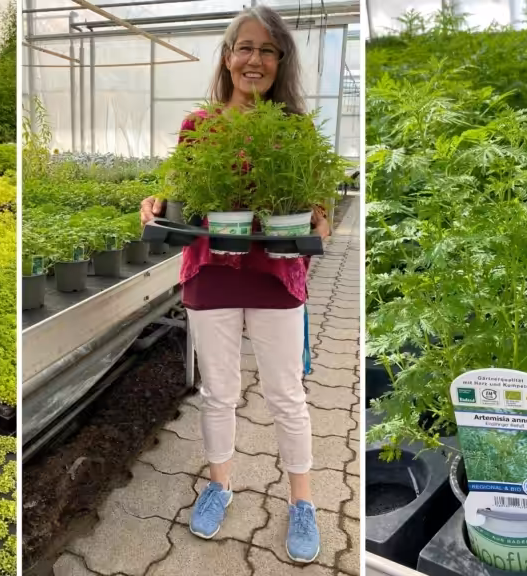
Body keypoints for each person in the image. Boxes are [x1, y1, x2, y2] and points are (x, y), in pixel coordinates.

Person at [140, 4, 330, 564]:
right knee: (218, 391)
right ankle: (219, 486)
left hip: (275, 274)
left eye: (267, 50)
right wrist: (154, 205)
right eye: (244, 47)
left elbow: (315, 204)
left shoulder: (294, 130)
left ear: (280, 62)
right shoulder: (198, 127)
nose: (255, 59)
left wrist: (320, 219)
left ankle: (302, 501)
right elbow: (179, 194)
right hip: (211, 274)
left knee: (286, 394)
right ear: (227, 58)